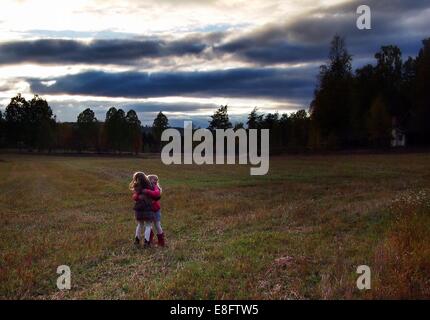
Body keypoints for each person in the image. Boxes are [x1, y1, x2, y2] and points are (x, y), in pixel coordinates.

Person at [129, 172, 154, 248]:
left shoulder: (136, 186)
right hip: (148, 208)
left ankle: (137, 241)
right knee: (148, 225)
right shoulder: (149, 186)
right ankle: (147, 243)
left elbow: (135, 197)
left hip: (138, 209)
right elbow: (155, 195)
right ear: (145, 178)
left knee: (139, 225)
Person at [145, 174, 165, 247]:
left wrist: (147, 191)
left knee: (157, 225)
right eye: (154, 179)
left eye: (157, 180)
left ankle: (161, 241)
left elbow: (156, 194)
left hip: (156, 209)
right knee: (148, 225)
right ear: (149, 180)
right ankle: (150, 239)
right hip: (147, 210)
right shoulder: (146, 187)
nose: (156, 181)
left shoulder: (156, 188)